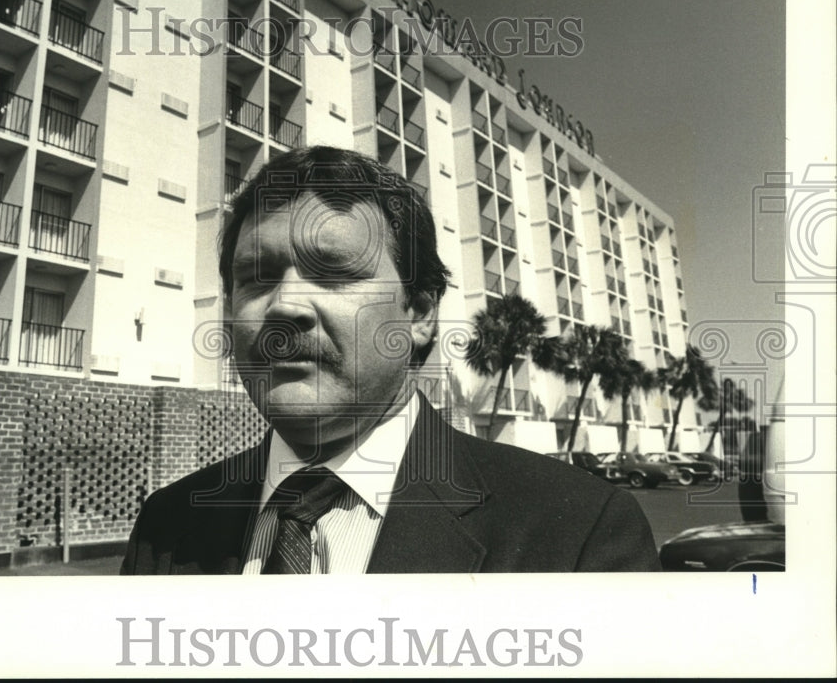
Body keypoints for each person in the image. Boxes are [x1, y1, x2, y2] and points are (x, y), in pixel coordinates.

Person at [121, 145, 660, 574]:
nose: (284, 304)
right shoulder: (167, 526)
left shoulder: (578, 533)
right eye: (254, 277)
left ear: (419, 312)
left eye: (332, 272)